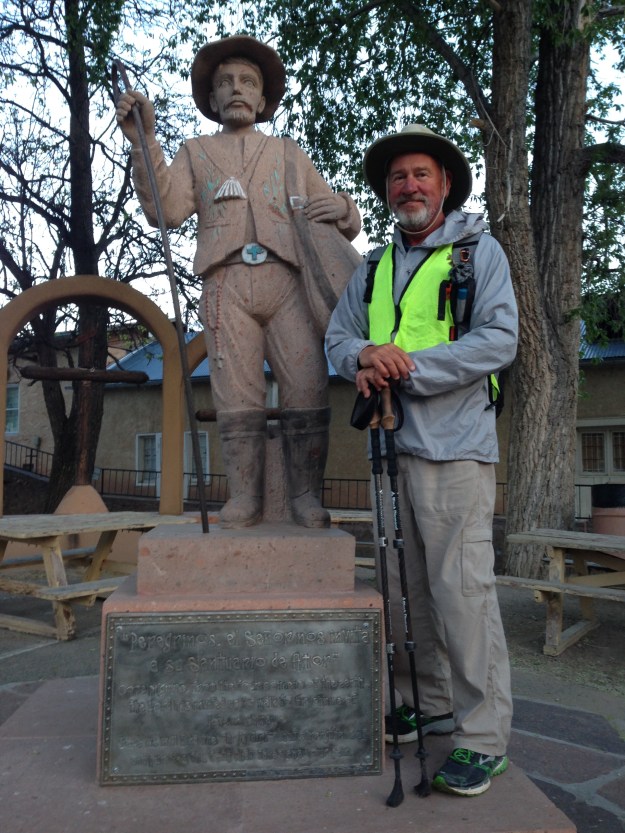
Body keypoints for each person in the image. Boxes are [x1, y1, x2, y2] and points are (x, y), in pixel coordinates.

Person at [326, 123, 518, 797]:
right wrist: (361, 356)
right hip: (388, 448)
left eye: (421, 174)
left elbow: (498, 339)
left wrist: (409, 367)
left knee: (461, 593)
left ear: (444, 186)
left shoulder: (476, 252)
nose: (408, 185)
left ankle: (481, 737)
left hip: (454, 448)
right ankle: (425, 702)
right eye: (397, 177)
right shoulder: (373, 265)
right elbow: (338, 336)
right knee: (403, 589)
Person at [115, 35, 361, 530]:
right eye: (225, 83)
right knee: (236, 395)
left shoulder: (289, 152)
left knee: (307, 388)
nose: (236, 89)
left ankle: (306, 496)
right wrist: (145, 142)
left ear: (265, 99)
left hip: (288, 282)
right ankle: (244, 496)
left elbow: (338, 218)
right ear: (210, 100)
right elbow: (165, 210)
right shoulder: (195, 151)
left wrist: (347, 209)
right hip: (225, 283)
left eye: (248, 82)